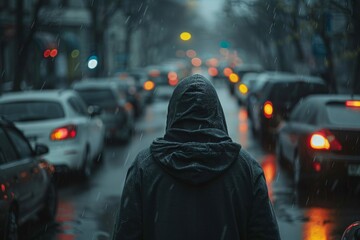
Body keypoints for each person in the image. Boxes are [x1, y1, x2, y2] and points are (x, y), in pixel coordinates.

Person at [112, 74, 281, 240]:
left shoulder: (144, 168)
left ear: (173, 112)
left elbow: (126, 233)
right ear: (217, 113)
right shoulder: (246, 169)